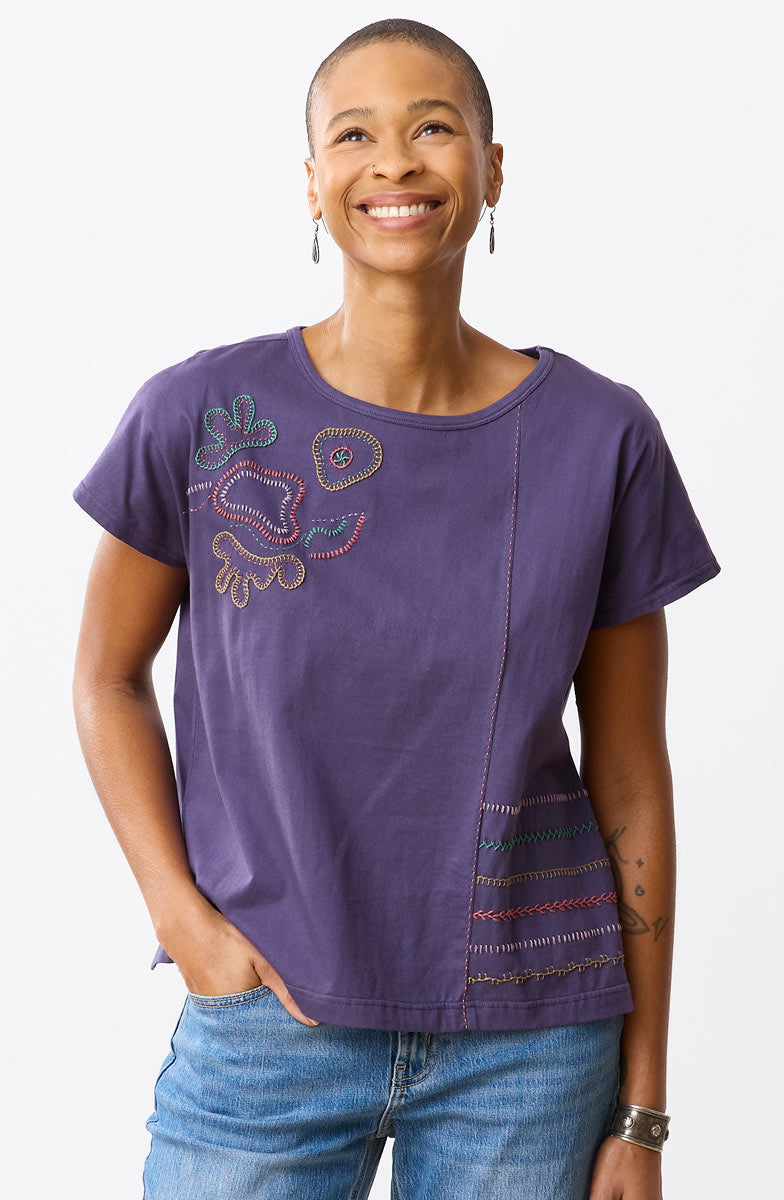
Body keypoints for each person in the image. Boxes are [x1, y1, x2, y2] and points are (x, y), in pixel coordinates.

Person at [71, 17, 721, 1200]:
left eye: (433, 128)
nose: (395, 163)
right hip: (267, 1024)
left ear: (491, 167)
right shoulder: (202, 417)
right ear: (311, 180)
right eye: (354, 135)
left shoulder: (599, 438)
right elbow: (106, 677)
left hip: (531, 1049)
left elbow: (631, 774)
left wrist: (643, 1110)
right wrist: (183, 921)